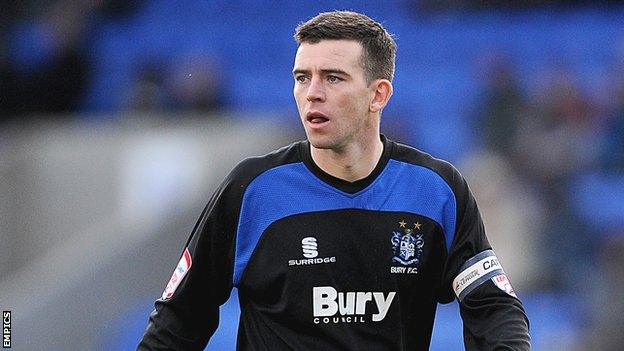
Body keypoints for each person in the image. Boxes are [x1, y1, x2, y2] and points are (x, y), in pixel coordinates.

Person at [137, 10, 530, 350]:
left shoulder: (435, 190)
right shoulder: (253, 189)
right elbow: (180, 318)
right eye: (302, 77)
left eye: (333, 78)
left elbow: (493, 306)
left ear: (378, 95)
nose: (312, 94)